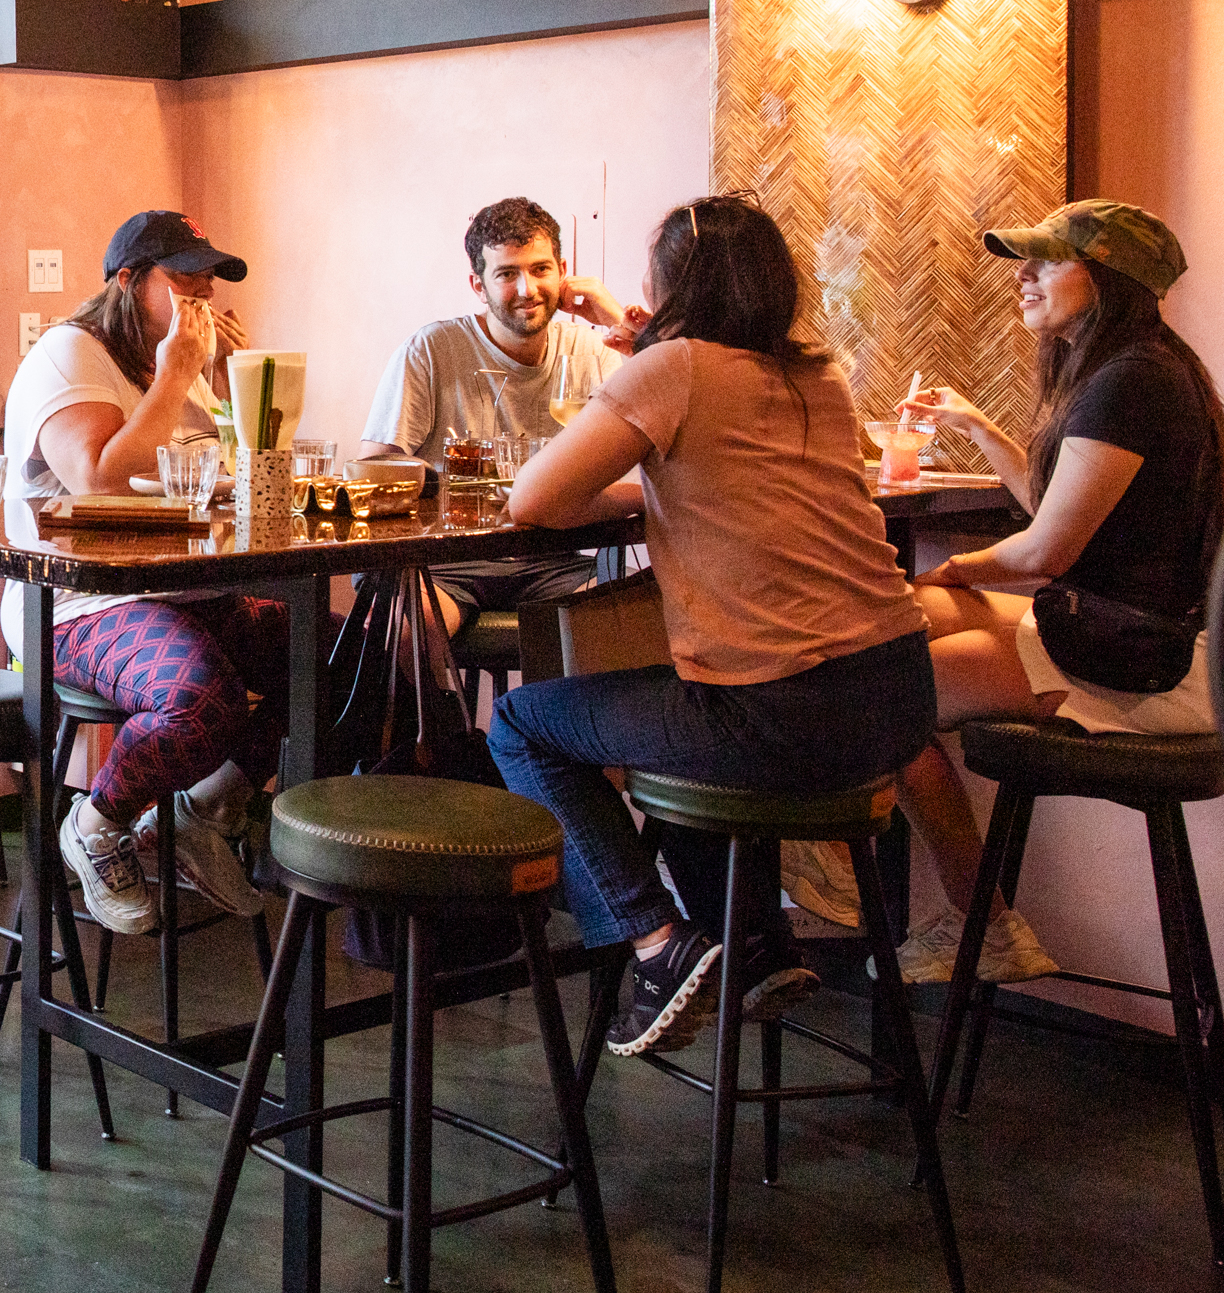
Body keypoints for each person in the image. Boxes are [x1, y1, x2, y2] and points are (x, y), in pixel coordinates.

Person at [486, 193, 936, 1057]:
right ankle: (754, 949)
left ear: (673, 287)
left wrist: (640, 366)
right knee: (687, 704)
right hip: (896, 701)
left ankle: (658, 947)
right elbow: (716, 479)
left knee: (522, 726)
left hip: (787, 720)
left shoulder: (674, 369)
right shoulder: (815, 377)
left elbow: (532, 498)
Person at [886, 200, 1220, 987]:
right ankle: (841, 867)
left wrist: (959, 569)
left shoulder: (1130, 383)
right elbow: (1053, 509)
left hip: (1152, 662)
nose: (1024, 276)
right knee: (892, 620)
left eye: (1047, 260)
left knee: (884, 691)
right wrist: (976, 427)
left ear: (1108, 279)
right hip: (1114, 632)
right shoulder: (1136, 369)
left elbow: (1046, 548)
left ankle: (982, 923)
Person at [2, 208, 273, 935]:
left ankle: (201, 811)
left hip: (188, 591)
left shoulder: (178, 365)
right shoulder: (71, 353)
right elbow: (97, 479)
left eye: (209, 282)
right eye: (184, 279)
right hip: (76, 602)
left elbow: (235, 484)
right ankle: (95, 822)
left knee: (348, 658)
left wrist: (226, 384)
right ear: (127, 280)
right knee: (198, 697)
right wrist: (179, 371)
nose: (202, 298)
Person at [359, 196, 624, 634]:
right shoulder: (431, 350)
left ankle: (542, 707)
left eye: (541, 269)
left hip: (552, 558)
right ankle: (444, 705)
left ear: (563, 269)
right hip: (448, 563)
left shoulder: (593, 351)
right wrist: (450, 484)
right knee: (406, 628)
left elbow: (673, 415)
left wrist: (616, 319)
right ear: (478, 285)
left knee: (615, 626)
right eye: (506, 274)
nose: (527, 290)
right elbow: (372, 468)